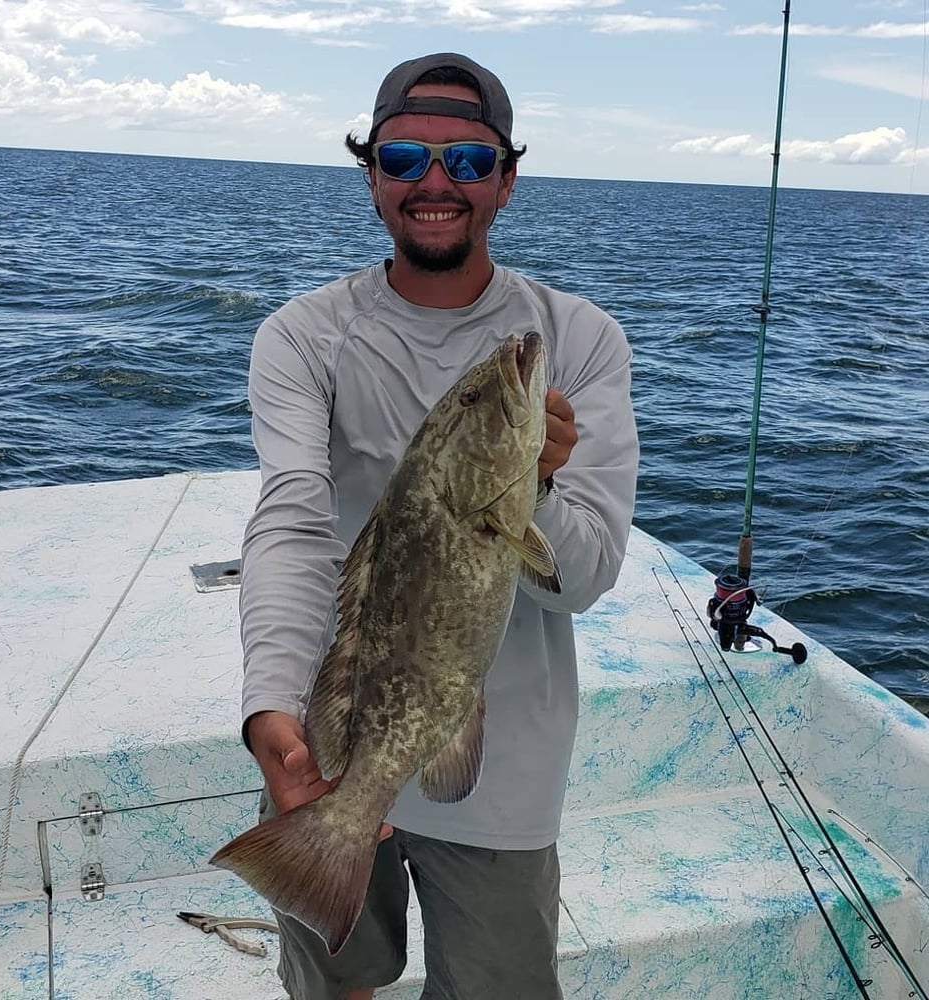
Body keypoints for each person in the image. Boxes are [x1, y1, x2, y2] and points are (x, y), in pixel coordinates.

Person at [239, 52, 639, 1000]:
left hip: (506, 776)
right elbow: (294, 527)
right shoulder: (303, 336)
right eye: (405, 156)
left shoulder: (579, 340)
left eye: (466, 162)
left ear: (505, 179)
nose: (434, 183)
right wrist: (271, 714)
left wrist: (534, 486)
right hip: (334, 740)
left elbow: (583, 577)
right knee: (339, 981)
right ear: (371, 172)